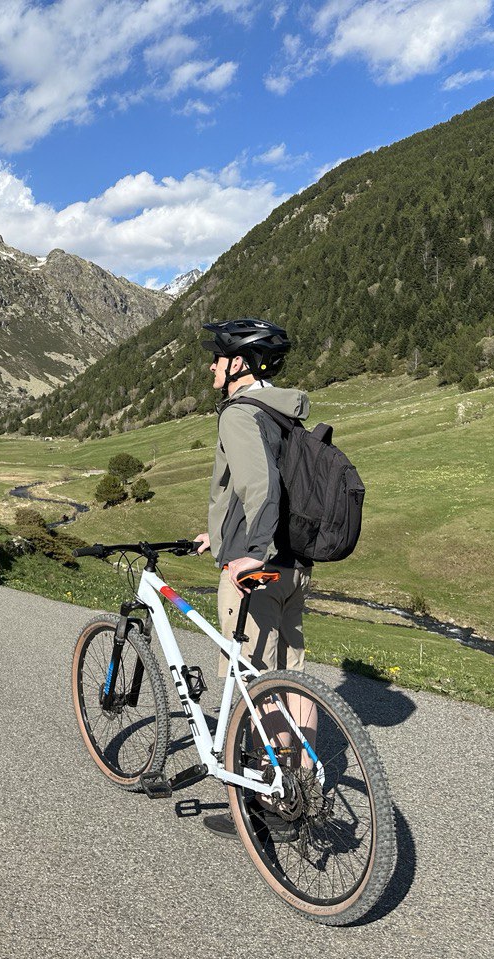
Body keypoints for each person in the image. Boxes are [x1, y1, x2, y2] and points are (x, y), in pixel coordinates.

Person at [191, 318, 312, 841]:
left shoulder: (239, 414)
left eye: (218, 358)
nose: (212, 366)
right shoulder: (282, 411)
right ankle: (304, 783)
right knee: (292, 676)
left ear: (239, 364)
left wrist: (247, 554)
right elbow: (275, 488)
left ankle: (270, 803)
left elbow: (259, 485)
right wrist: (215, 532)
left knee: (254, 683)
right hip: (296, 566)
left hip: (256, 569)